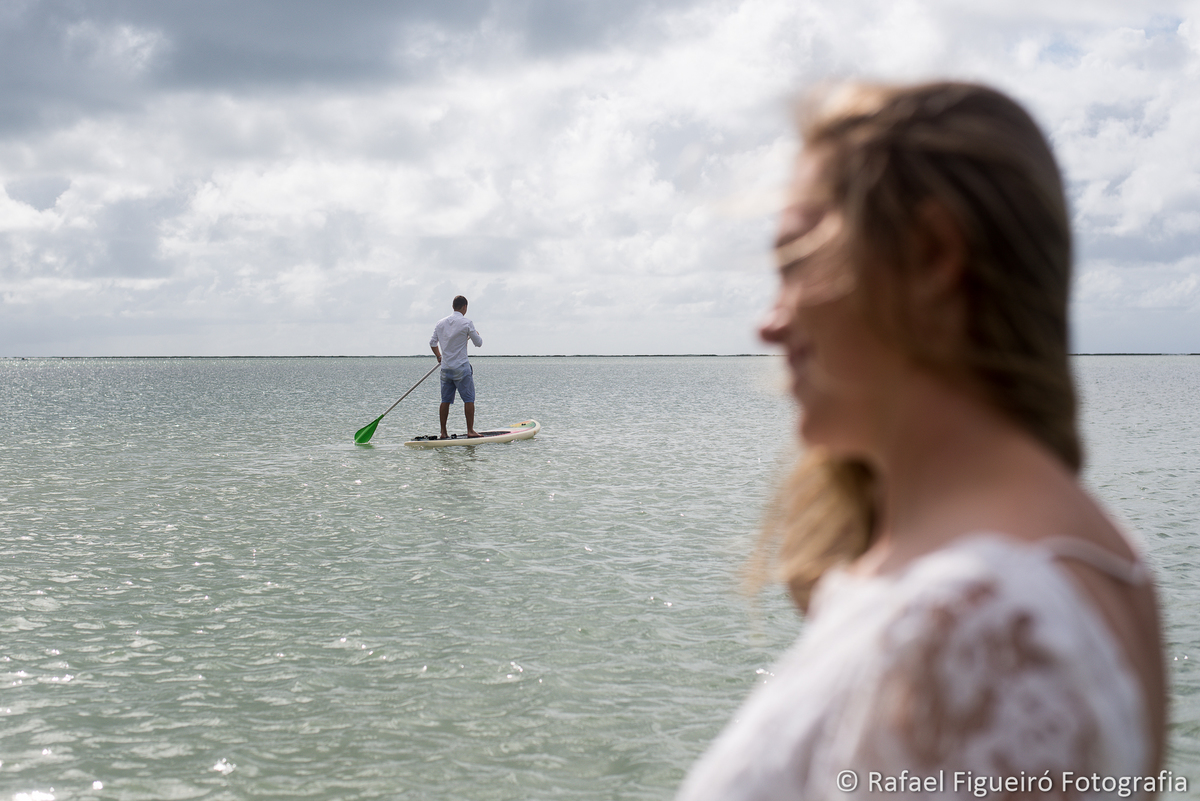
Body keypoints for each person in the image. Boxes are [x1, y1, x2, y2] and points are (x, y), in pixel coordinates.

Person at [677, 82, 1165, 800]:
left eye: (795, 261)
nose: (768, 324)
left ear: (934, 255)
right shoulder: (1096, 557)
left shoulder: (981, 625)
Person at [429, 295, 483, 438]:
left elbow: (432, 343)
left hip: (446, 368)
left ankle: (443, 432)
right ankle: (470, 431)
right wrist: (475, 334)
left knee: (445, 400)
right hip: (461, 368)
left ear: (453, 306)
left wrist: (439, 357)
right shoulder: (467, 322)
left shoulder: (440, 323)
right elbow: (478, 343)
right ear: (464, 307)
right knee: (469, 399)